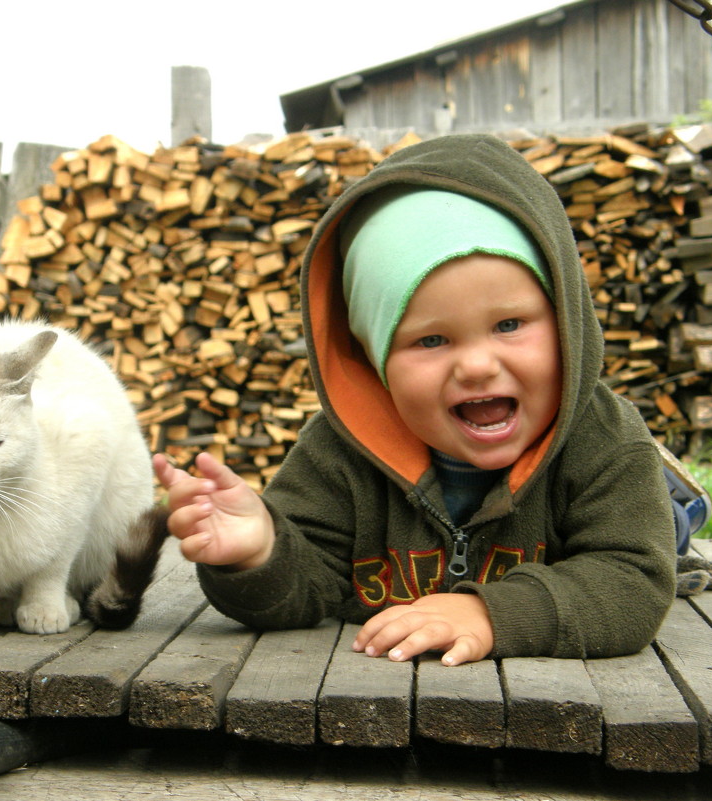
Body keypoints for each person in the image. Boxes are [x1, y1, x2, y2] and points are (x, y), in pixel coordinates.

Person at [153, 133, 677, 667]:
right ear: (378, 363)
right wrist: (259, 553)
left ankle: (681, 506)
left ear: (565, 321)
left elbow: (633, 579)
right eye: (431, 340)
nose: (476, 365)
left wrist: (493, 614)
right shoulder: (342, 452)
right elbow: (307, 584)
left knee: (670, 531)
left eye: (509, 325)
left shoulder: (603, 438)